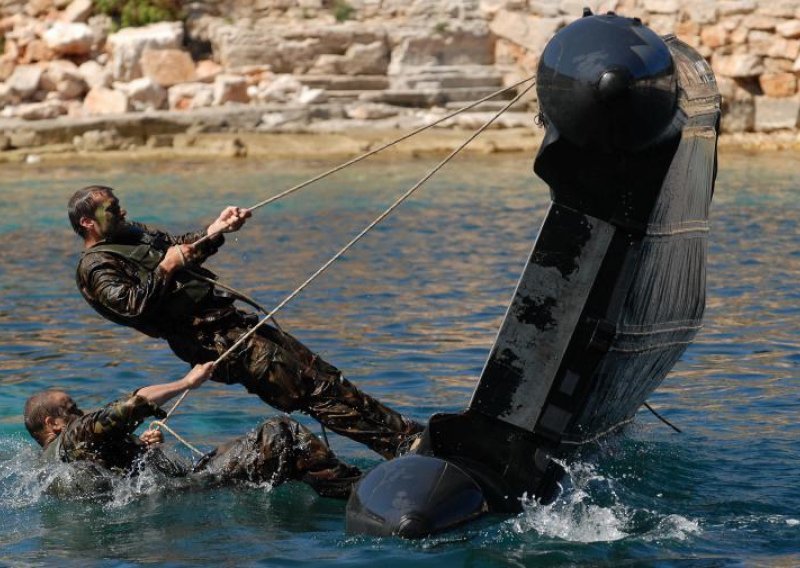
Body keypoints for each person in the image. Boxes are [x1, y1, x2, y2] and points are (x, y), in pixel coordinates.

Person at [69, 185, 422, 460]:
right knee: (311, 392)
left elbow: (181, 248)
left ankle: (410, 435)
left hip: (234, 322)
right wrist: (167, 267)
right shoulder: (97, 266)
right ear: (88, 221)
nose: (122, 211)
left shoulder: (132, 235)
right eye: (112, 209)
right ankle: (397, 448)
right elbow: (132, 306)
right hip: (212, 341)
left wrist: (217, 229)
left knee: (327, 377)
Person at [24, 362, 361, 498]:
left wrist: (142, 450)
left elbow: (112, 480)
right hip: (190, 490)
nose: (81, 412)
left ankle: (318, 479)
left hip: (172, 492)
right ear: (52, 423)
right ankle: (353, 490)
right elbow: (129, 405)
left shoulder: (50, 463)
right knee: (280, 432)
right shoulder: (72, 437)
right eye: (72, 409)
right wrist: (187, 382)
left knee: (258, 450)